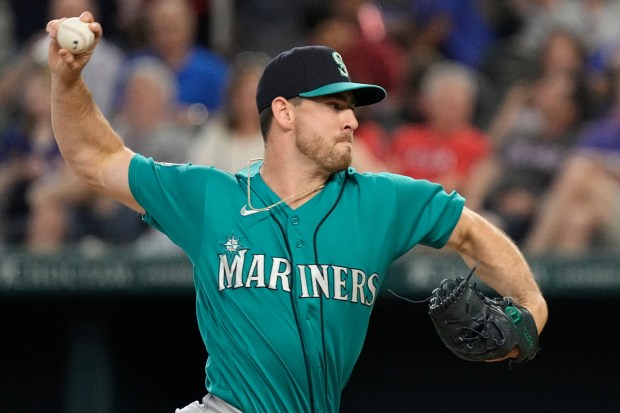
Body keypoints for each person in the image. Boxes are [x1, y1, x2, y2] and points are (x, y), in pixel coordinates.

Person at [46, 12, 548, 413]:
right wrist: (68, 82)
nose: (351, 118)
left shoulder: (380, 201)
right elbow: (97, 159)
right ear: (284, 112)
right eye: (332, 106)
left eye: (351, 106)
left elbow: (472, 232)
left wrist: (531, 306)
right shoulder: (211, 196)